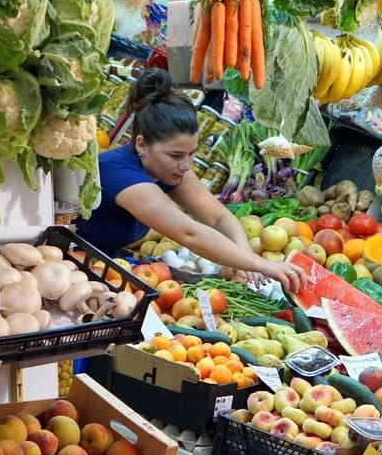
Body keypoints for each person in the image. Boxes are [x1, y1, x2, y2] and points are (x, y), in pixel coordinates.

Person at [75, 69, 308, 294]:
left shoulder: (167, 168)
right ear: (141, 145)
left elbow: (219, 217)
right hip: (68, 265)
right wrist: (262, 265)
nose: (186, 166)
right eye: (175, 155)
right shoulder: (123, 176)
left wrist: (245, 257)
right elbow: (190, 234)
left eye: (192, 153)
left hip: (102, 263)